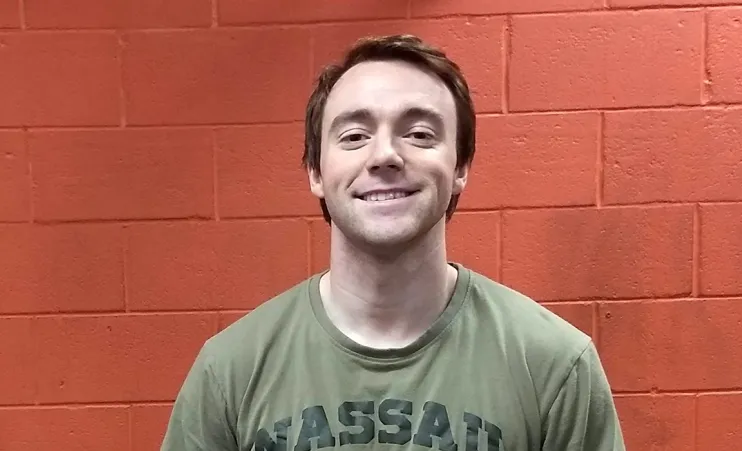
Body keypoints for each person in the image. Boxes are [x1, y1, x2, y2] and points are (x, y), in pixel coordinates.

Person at [160, 34, 626, 451]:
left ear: (460, 166)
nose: (384, 154)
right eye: (355, 136)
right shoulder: (230, 372)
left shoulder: (553, 365)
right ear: (316, 172)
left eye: (419, 134)